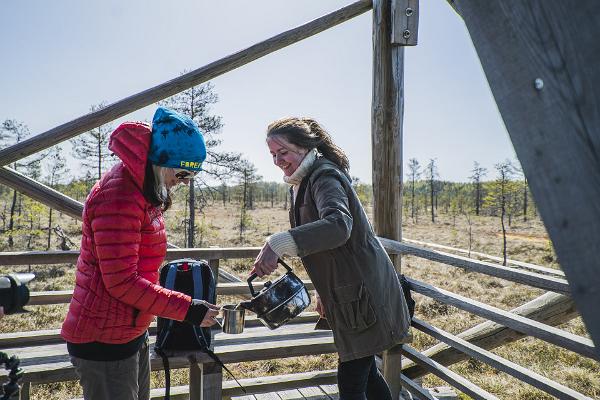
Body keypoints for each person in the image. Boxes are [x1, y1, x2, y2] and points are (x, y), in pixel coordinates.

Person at [61, 107, 220, 400]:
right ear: (162, 163)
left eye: (192, 176)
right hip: (104, 340)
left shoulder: (142, 190)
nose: (185, 182)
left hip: (129, 331)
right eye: (184, 172)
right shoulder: (120, 196)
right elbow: (121, 281)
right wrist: (188, 309)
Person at [252, 117, 411, 400]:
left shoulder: (324, 176)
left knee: (351, 383)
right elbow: (325, 248)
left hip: (365, 295)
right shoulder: (302, 181)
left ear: (303, 146)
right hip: (350, 295)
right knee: (368, 376)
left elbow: (339, 226)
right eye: (273, 154)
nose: (277, 160)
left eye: (283, 152)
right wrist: (324, 292)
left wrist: (277, 243)